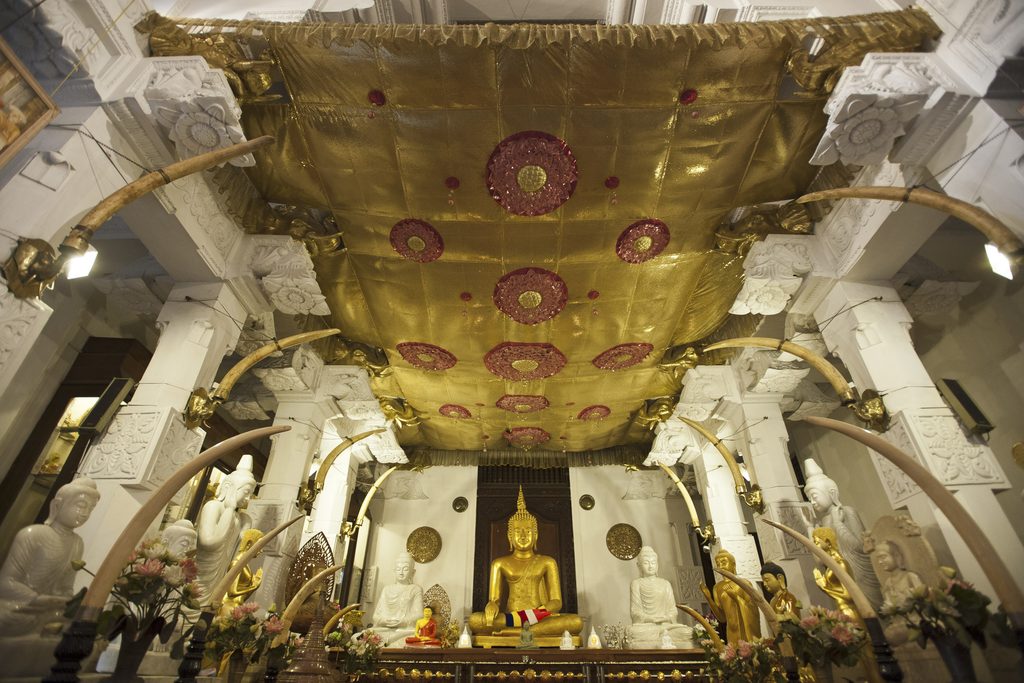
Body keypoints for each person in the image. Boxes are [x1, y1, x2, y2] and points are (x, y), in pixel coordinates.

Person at [468, 487, 582, 638]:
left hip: (540, 618)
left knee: (576, 621)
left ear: (536, 536)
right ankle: (523, 631)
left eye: (528, 531)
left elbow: (556, 602)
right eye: (517, 532)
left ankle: (517, 633)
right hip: (511, 618)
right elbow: (494, 599)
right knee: (475, 620)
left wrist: (537, 614)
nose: (522, 536)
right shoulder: (500, 563)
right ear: (510, 536)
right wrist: (492, 605)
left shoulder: (547, 562)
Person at [0, 478, 100, 635]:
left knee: (75, 624)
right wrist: (40, 599)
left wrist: (67, 602)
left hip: (48, 611)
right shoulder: (33, 534)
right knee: (11, 618)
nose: (85, 513)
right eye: (81, 505)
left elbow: (66, 587)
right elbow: (6, 583)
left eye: (91, 508)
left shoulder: (77, 543)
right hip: (20, 606)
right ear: (57, 505)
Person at [803, 459, 883, 607]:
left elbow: (861, 546)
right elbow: (821, 560)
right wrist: (809, 529)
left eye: (814, 497)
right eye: (809, 499)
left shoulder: (847, 512)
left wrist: (838, 523)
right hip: (841, 577)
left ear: (832, 493)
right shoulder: (823, 523)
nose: (812, 502)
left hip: (861, 575)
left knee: (873, 610)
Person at [196, 455, 256, 595]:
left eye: (250, 494)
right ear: (229, 487)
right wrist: (229, 511)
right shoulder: (213, 507)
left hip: (221, 574)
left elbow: (236, 554)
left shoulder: (240, 518)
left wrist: (245, 526)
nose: (247, 499)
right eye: (246, 492)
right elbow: (208, 543)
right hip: (202, 573)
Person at [626, 546, 693, 647]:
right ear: (639, 566)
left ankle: (662, 634)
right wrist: (652, 619)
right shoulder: (636, 584)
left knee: (687, 632)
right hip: (648, 627)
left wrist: (665, 618)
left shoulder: (665, 583)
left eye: (653, 563)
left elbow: (673, 610)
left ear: (657, 565)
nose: (650, 566)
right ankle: (660, 635)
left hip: (666, 625)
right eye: (646, 563)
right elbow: (635, 612)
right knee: (633, 633)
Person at [700, 549, 760, 644]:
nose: (720, 566)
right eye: (718, 563)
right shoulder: (717, 588)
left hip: (745, 629)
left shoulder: (743, 583)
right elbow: (722, 618)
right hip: (731, 630)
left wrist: (736, 597)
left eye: (724, 562)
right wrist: (708, 598)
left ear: (733, 564)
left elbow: (753, 609)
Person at [371, 551, 423, 646]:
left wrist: (401, 622)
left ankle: (388, 642)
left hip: (404, 631)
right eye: (398, 569)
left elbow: (419, 615)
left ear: (413, 572)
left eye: (405, 569)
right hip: (383, 629)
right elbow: (375, 616)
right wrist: (385, 620)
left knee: (409, 640)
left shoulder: (415, 589)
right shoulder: (387, 589)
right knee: (356, 637)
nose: (401, 572)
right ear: (394, 571)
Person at [874, 540, 924, 606]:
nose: (880, 562)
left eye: (883, 557)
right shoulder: (888, 583)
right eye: (878, 559)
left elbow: (924, 600)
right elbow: (889, 606)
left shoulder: (910, 577)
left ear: (896, 556)